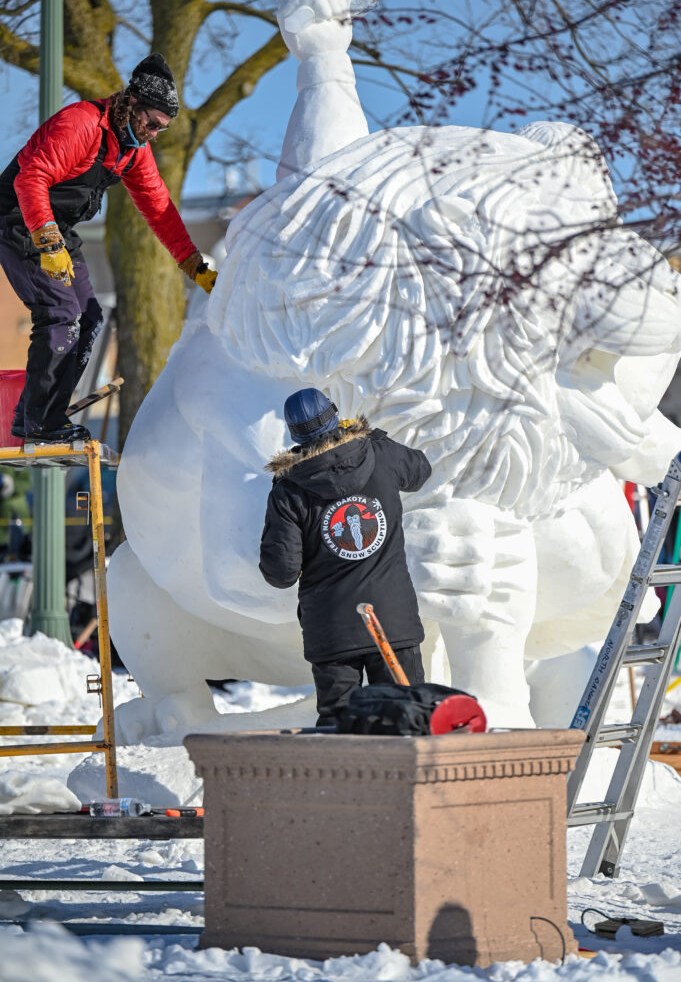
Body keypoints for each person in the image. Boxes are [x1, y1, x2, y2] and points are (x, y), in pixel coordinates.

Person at [0, 53, 217, 443]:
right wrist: (48, 242)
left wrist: (193, 264)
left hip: (57, 228)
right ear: (131, 103)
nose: (153, 133)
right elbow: (31, 178)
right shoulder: (81, 124)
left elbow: (159, 207)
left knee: (90, 315)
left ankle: (49, 411)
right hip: (18, 220)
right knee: (61, 313)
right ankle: (36, 421)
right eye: (151, 123)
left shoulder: (132, 149)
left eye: (161, 129)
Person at [259, 387, 432, 726]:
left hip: (332, 630)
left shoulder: (289, 489)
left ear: (293, 432)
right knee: (405, 723)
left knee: (339, 735)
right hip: (391, 621)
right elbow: (420, 469)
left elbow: (280, 574)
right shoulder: (379, 454)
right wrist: (374, 435)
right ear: (336, 415)